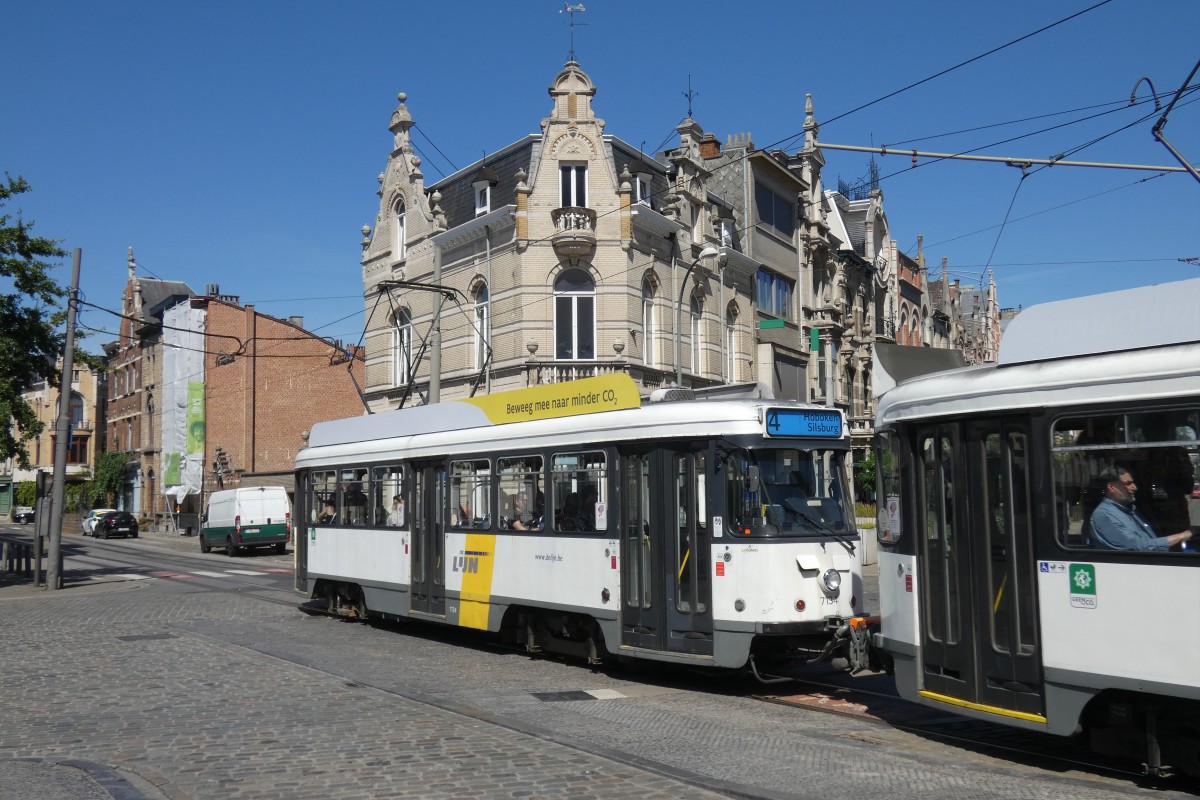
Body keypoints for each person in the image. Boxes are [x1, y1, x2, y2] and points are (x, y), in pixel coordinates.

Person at [1089, 466, 1193, 551]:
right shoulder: (1103, 516)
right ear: (1111, 487)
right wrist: (1181, 536)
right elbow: (1138, 547)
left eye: (1133, 483)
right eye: (1128, 484)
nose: (1134, 488)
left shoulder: (1131, 510)